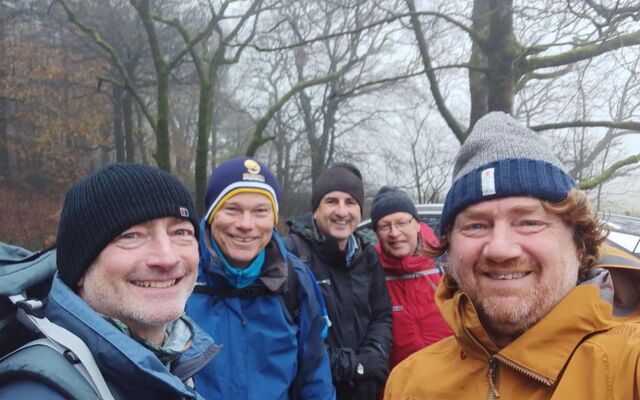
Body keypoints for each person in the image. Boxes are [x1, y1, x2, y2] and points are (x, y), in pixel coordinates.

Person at [384, 111, 640, 399]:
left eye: (529, 222)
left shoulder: (628, 367)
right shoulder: (408, 383)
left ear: (579, 246)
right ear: (450, 251)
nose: (500, 249)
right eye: (475, 225)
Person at [0, 163, 219, 399]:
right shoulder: (35, 392)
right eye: (131, 236)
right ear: (80, 268)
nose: (167, 258)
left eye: (181, 233)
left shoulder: (174, 358)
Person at [186, 156, 335, 400]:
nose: (246, 224)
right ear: (212, 215)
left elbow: (315, 376)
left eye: (260, 211)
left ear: (273, 219)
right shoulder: (179, 274)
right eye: (232, 209)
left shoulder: (294, 280)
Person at [286, 162, 392, 400]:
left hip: (364, 389)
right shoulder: (291, 255)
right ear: (315, 209)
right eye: (332, 201)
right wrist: (354, 366)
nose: (342, 211)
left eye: (350, 202)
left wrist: (373, 356)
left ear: (360, 211)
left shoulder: (367, 255)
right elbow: (291, 337)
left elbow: (381, 316)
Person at [370, 187, 451, 369]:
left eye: (402, 223)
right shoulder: (371, 274)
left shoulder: (446, 264)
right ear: (377, 233)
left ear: (417, 224)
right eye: (385, 226)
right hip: (398, 387)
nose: (394, 233)